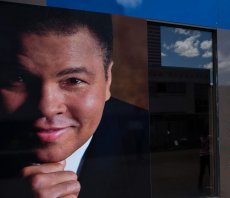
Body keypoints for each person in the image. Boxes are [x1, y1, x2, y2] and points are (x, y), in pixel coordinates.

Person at [0, 2, 150, 198]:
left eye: (73, 80)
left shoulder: (148, 143)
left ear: (108, 80)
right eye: (18, 79)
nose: (47, 107)